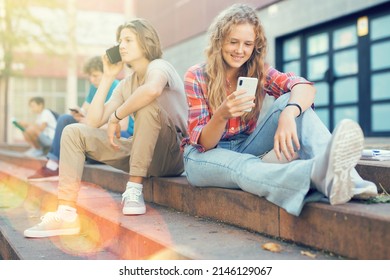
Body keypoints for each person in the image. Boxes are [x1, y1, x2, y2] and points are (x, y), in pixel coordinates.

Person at [181, 3, 378, 217]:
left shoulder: (257, 70)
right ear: (219, 42)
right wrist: (222, 114)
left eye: (247, 44)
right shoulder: (197, 76)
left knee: (290, 100)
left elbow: (303, 86)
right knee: (242, 166)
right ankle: (314, 174)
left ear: (255, 46)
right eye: (233, 42)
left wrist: (289, 112)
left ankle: (350, 181)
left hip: (246, 145)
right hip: (203, 156)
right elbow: (205, 143)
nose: (240, 50)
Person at [24, 18, 188, 238]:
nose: (121, 45)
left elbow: (152, 90)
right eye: (120, 41)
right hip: (141, 151)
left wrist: (116, 117)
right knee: (74, 132)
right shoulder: (125, 84)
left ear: (146, 41)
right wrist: (108, 76)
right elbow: (92, 123)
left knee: (147, 105)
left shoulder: (159, 66)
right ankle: (66, 212)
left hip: (172, 154)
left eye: (128, 40)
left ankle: (134, 189)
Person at [27, 56, 134, 181]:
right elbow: (84, 111)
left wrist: (88, 123)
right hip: (97, 131)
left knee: (73, 128)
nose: (92, 79)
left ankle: (55, 166)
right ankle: (53, 165)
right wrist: (79, 114)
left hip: (118, 135)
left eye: (95, 75)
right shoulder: (94, 87)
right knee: (65, 119)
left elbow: (123, 126)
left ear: (106, 71)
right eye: (90, 76)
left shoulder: (117, 87)